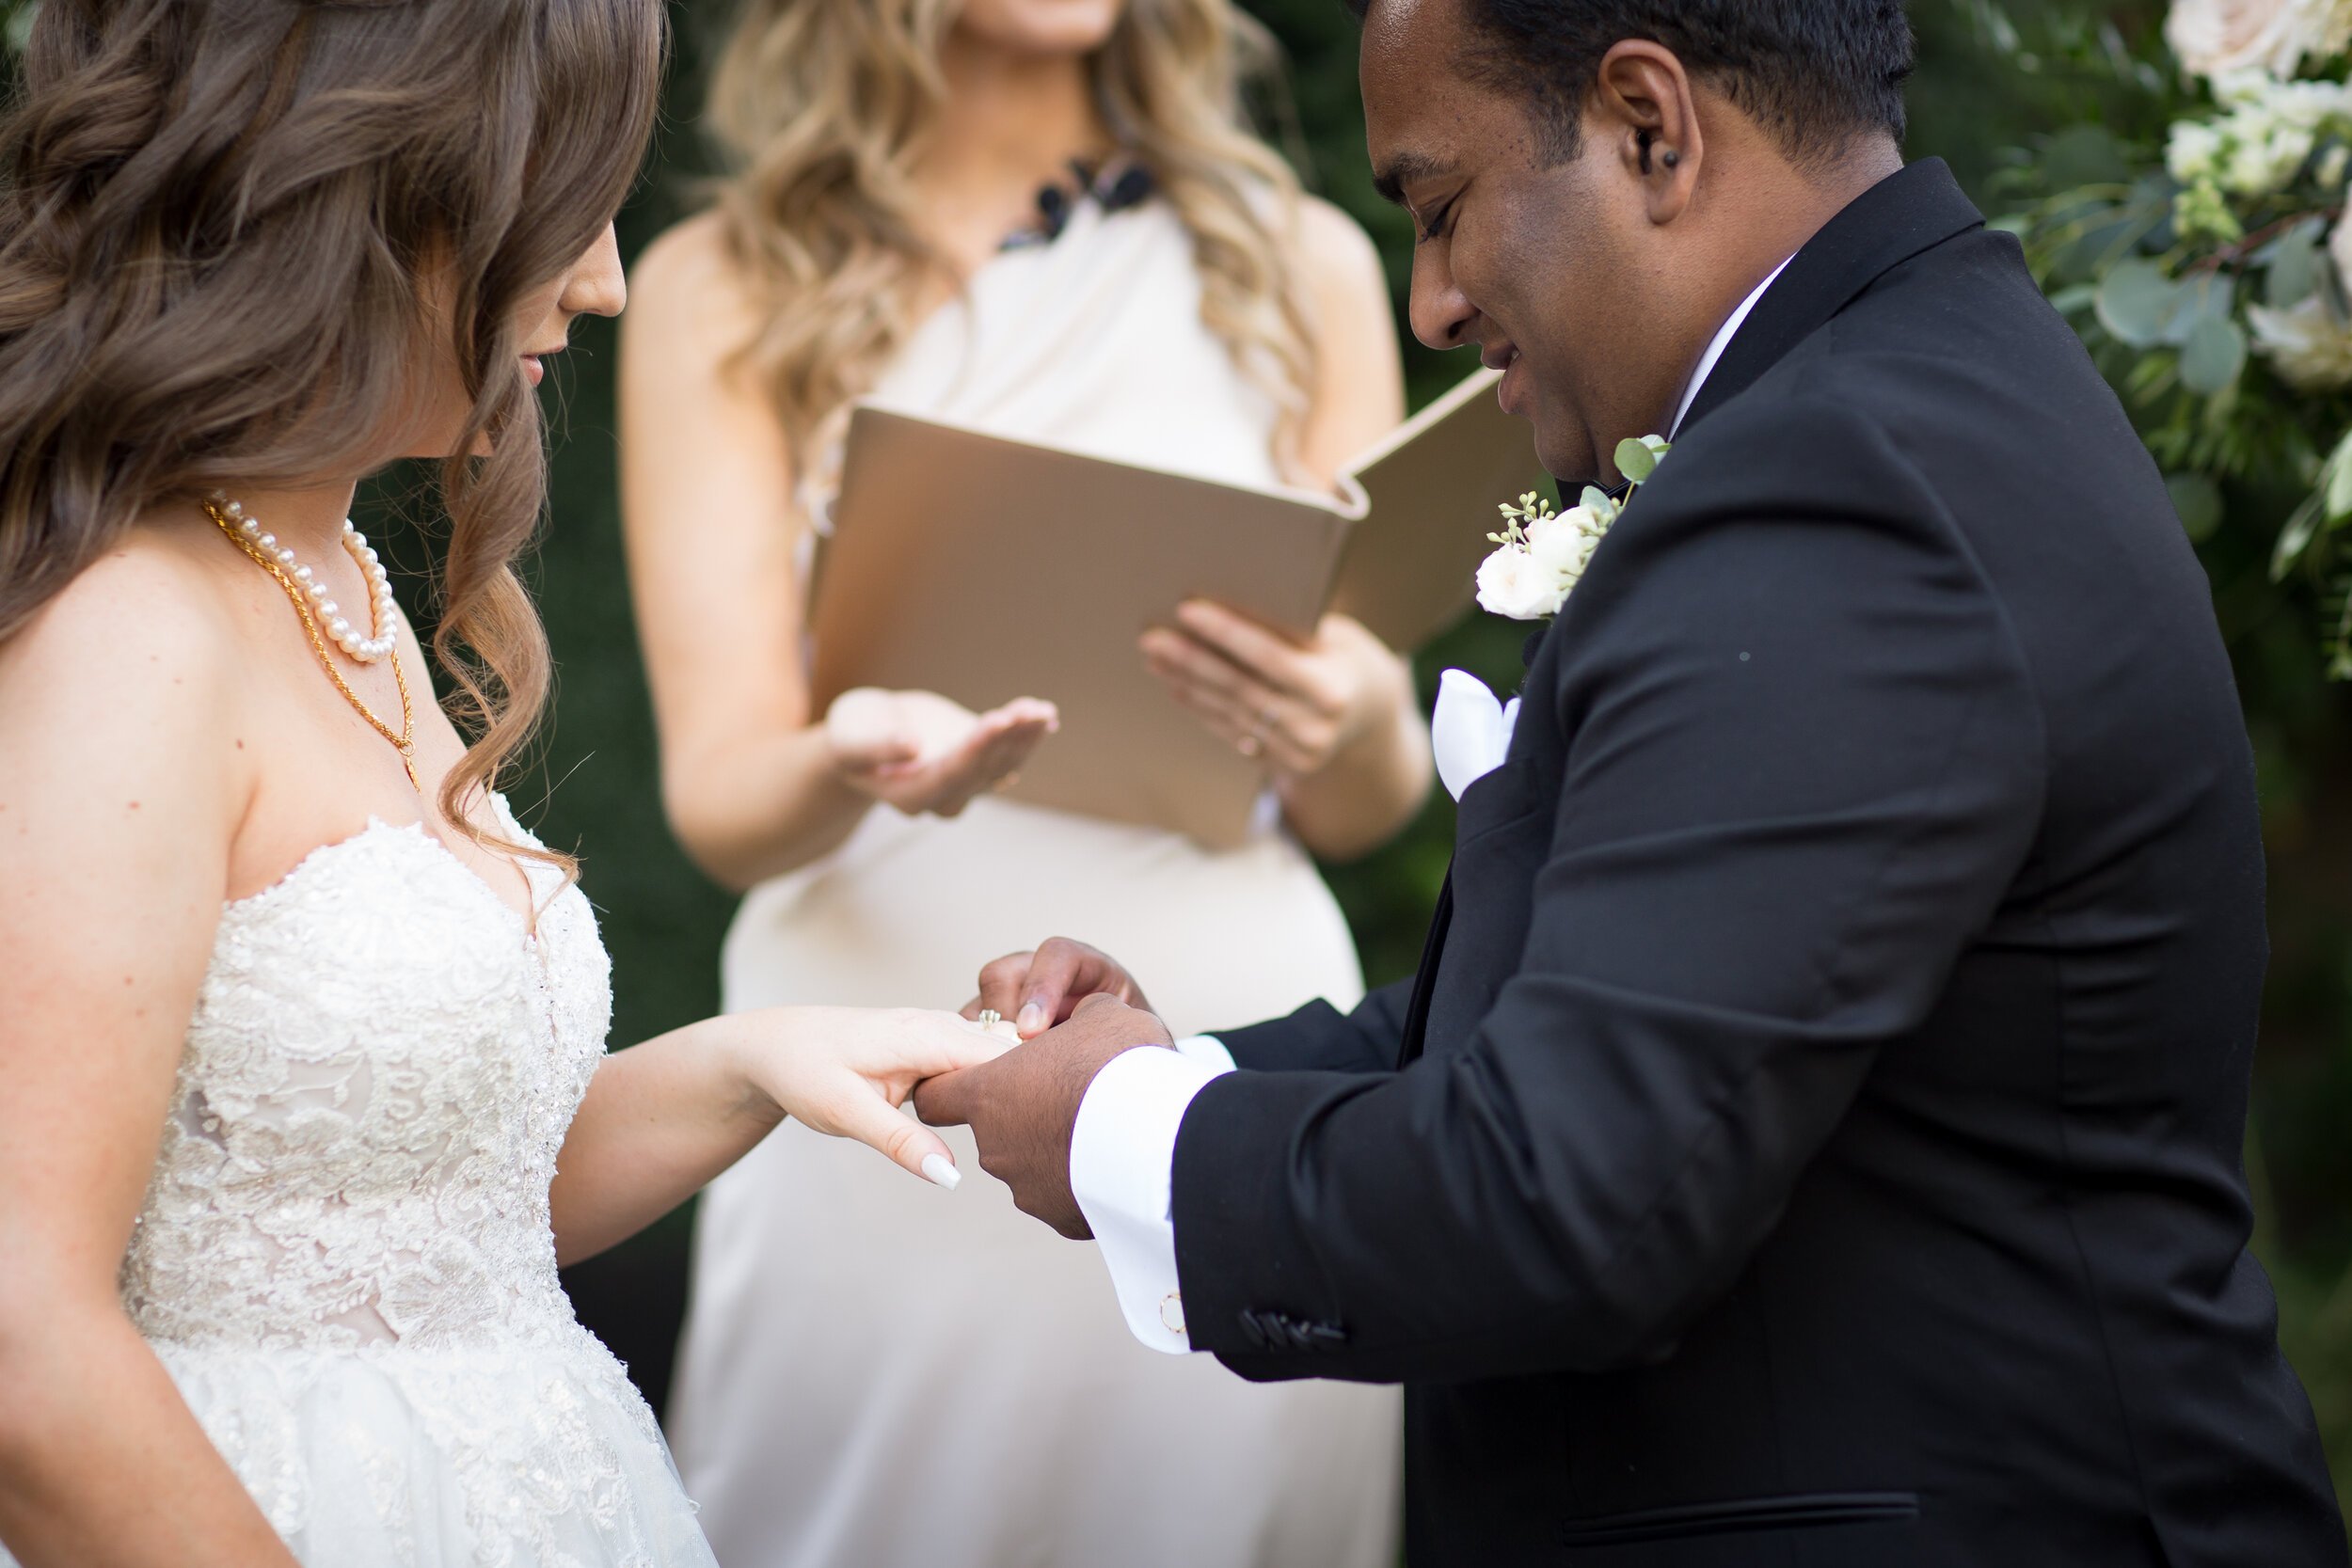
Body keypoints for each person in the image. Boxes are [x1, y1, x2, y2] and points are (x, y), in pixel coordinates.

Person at [915, 0, 2352, 1563]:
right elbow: (1650, 990)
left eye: (1441, 208)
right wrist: (1188, 1060)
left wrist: (1127, 1132)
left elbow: (1567, 1196)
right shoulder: (1891, 400)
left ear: (1650, 130)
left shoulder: (1840, 486)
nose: (1433, 305)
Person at [0, 5, 1009, 1565]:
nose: (604, 277)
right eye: (573, 197)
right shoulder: (128, 634)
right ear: (371, 180)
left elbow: (413, 1231)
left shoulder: (328, 564)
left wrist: (752, 1060)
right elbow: (25, 1344)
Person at [620, 0, 1422, 1560]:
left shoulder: (1298, 259)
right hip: (880, 1070)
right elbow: (723, 796)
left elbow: (1366, 803)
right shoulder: (724, 280)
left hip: (1217, 1044)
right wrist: (847, 761)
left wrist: (1352, 721)